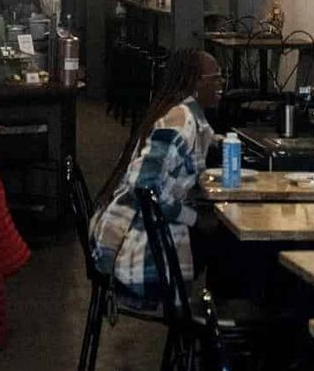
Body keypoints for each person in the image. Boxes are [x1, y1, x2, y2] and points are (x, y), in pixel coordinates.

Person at [89, 49, 223, 306]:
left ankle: (202, 329)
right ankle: (212, 327)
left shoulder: (180, 113)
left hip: (130, 230)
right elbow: (144, 187)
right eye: (215, 78)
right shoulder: (181, 121)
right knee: (229, 245)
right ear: (196, 83)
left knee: (219, 241)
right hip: (143, 253)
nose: (221, 85)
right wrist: (195, 219)